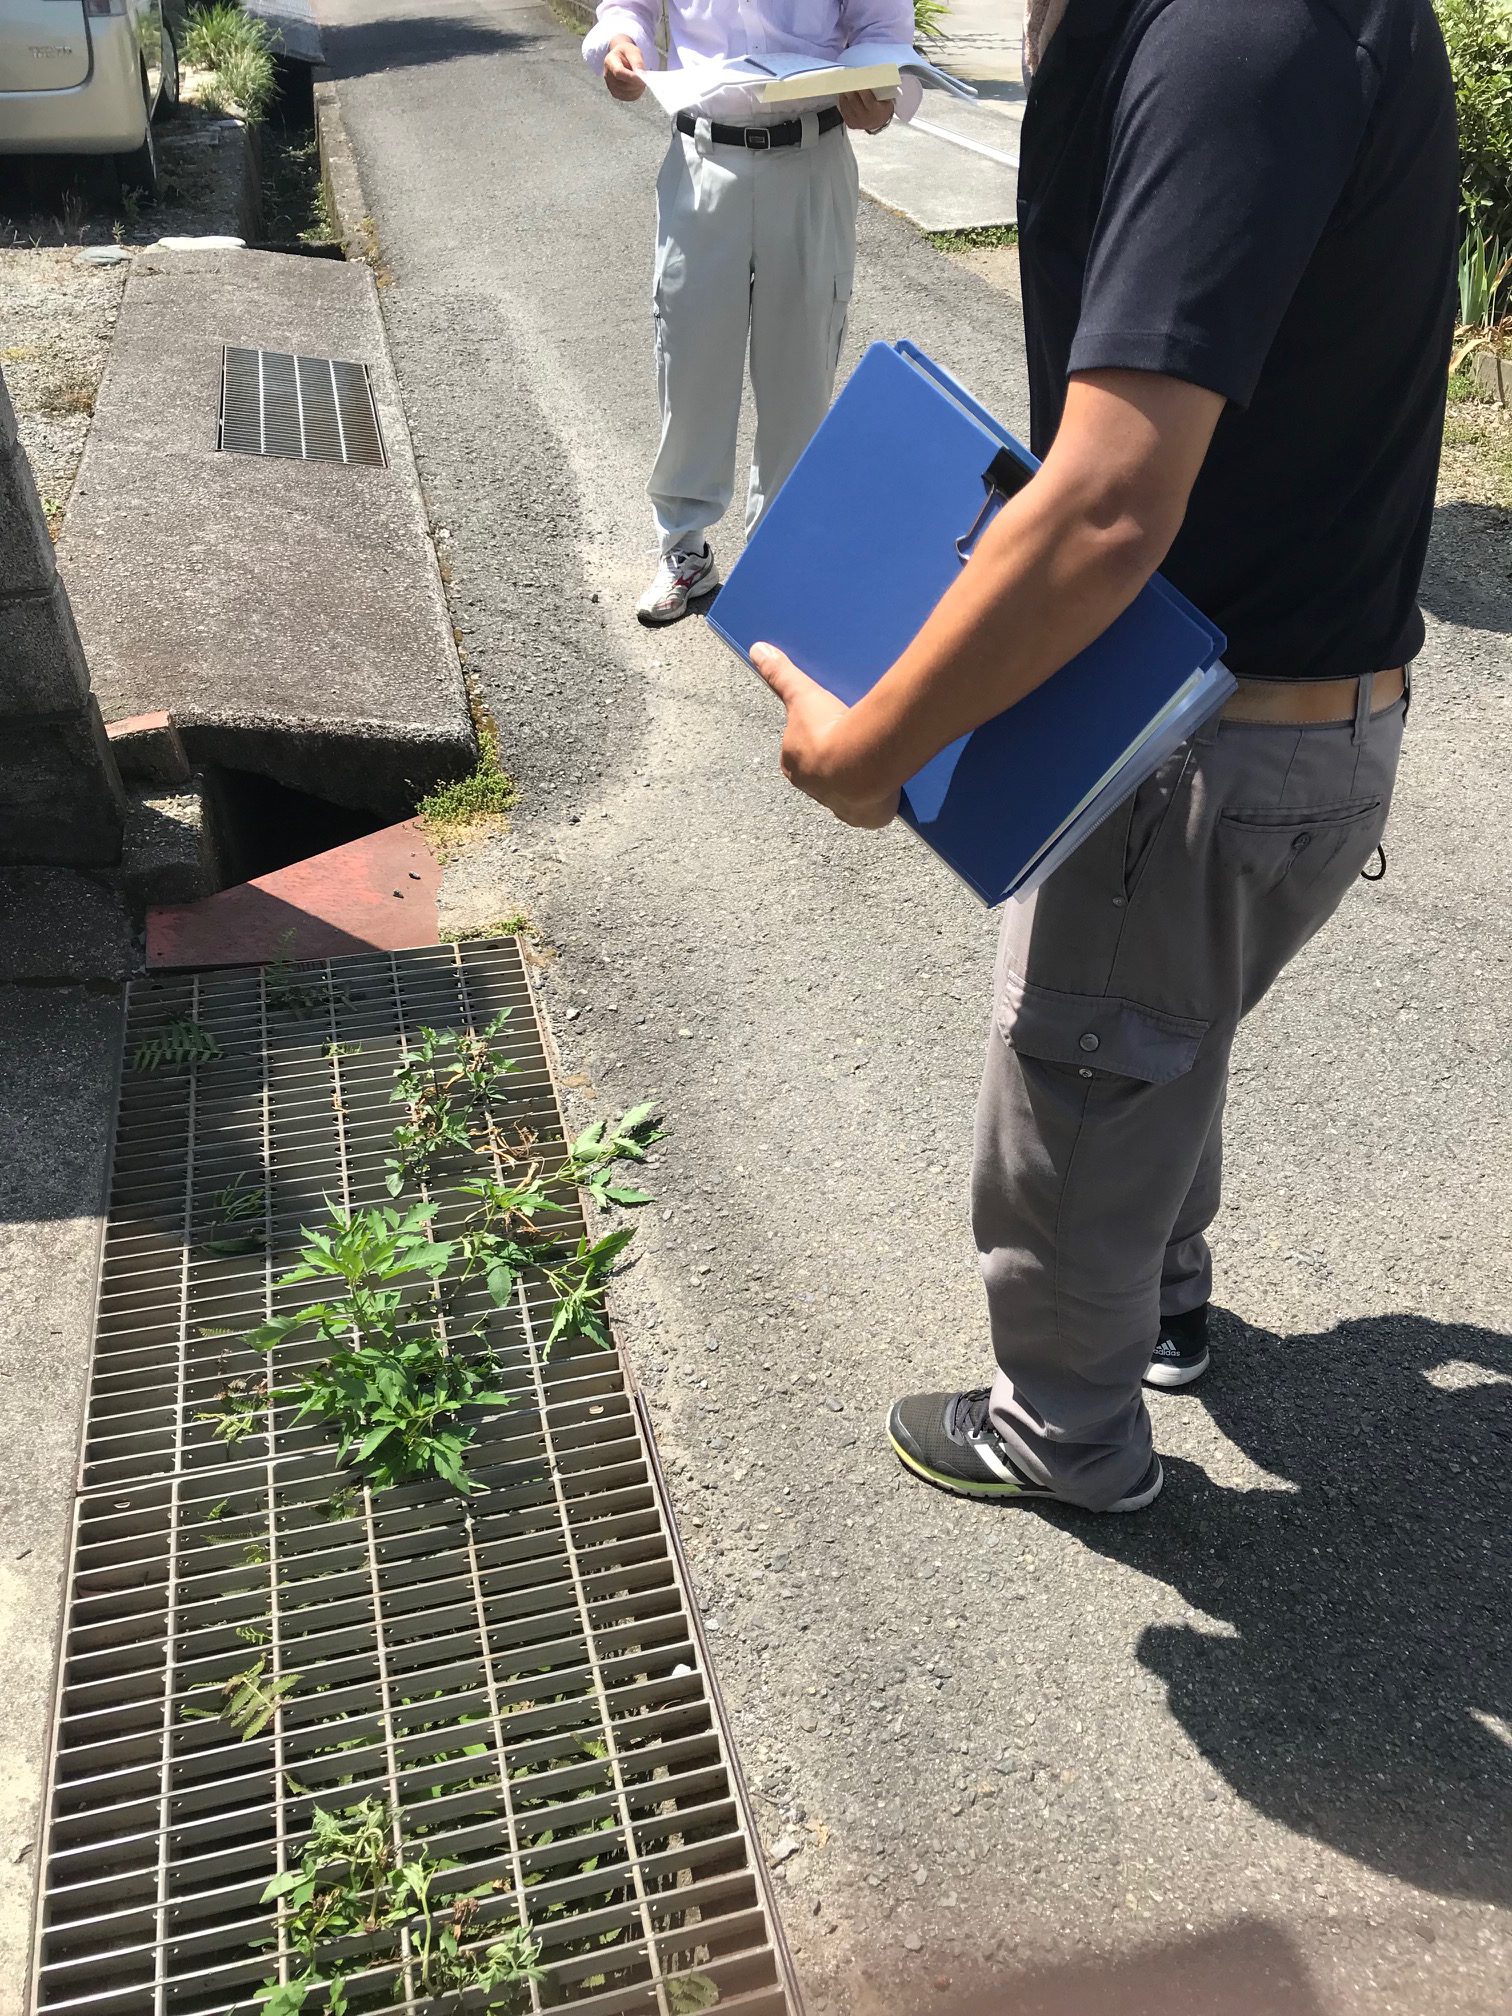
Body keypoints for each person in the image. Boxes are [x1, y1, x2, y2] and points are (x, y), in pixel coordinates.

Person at [752, 0, 1459, 1511]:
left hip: (1196, 739)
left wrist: (863, 754)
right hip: (1286, 712)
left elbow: (1105, 512)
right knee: (1157, 1027)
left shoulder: (1230, 36)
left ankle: (1062, 1432)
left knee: (1079, 1075)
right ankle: (1166, 1304)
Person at [583, 0, 918, 626]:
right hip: (701, 153)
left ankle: (778, 560)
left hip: (812, 153)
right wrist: (622, 43)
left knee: (801, 369)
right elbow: (629, 9)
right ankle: (683, 549)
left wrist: (878, 93)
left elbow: (882, 30)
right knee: (688, 358)